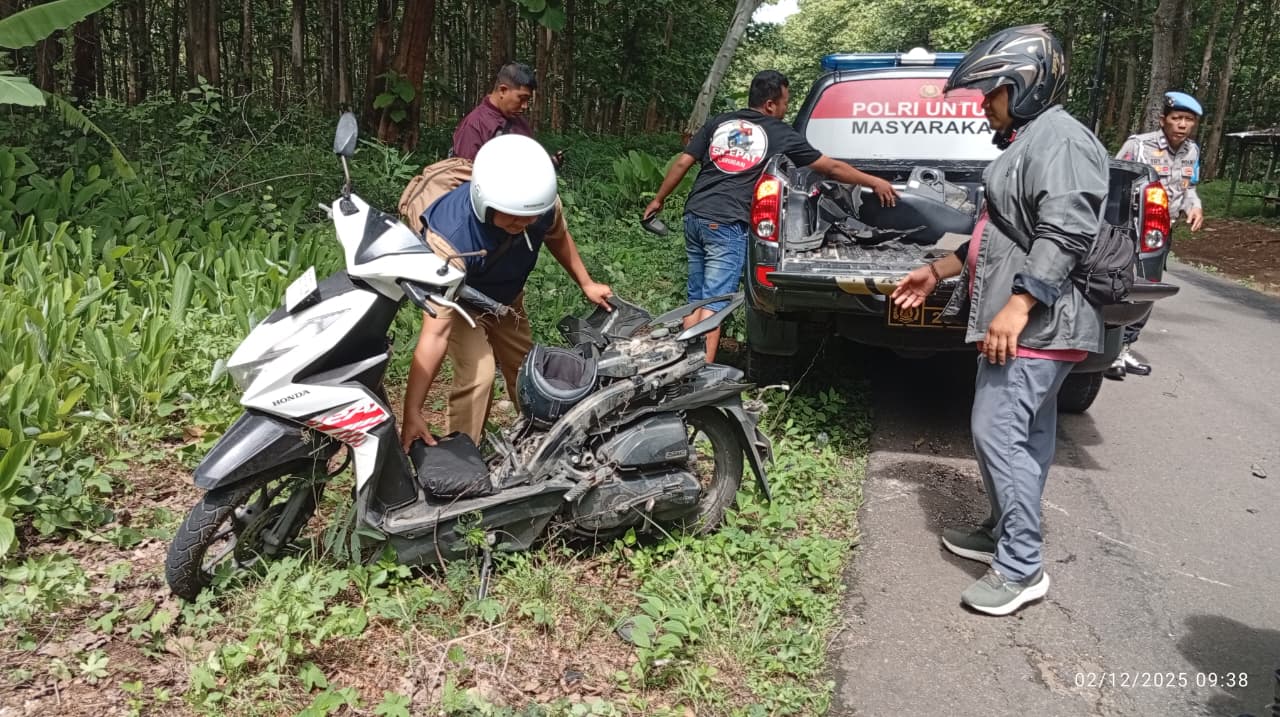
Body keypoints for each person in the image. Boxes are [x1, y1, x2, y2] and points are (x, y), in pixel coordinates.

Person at [891, 25, 1108, 616]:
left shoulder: (1060, 140)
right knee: (1027, 437)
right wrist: (937, 270)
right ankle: (1001, 531)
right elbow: (998, 233)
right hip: (1034, 320)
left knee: (996, 431)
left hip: (1041, 322)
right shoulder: (1031, 139)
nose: (983, 105)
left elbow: (1066, 231)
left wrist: (1018, 305)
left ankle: (1021, 566)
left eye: (992, 93)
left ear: (1026, 85)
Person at [643, 69, 899, 362]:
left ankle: (681, 368)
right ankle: (698, 380)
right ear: (769, 104)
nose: (786, 108)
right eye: (785, 102)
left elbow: (682, 163)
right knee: (716, 304)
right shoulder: (779, 133)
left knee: (697, 300)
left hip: (695, 216)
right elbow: (831, 168)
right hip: (727, 222)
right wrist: (875, 181)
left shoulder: (720, 122)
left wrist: (659, 199)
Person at [400, 135, 612, 450]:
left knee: (528, 369)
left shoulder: (540, 206)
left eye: (529, 216)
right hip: (461, 305)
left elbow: (558, 236)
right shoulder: (451, 239)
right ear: (485, 201)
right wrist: (412, 410)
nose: (522, 223)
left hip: (507, 301)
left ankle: (542, 443)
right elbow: (434, 335)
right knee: (479, 375)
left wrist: (586, 282)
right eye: (511, 215)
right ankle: (463, 458)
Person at [1107, 91, 1205, 379]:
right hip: (1127, 230)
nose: (1182, 125)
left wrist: (1195, 208)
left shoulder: (1193, 151)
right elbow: (1112, 181)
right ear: (1164, 120)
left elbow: (1189, 189)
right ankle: (1107, 351)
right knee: (1116, 286)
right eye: (1177, 118)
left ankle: (1124, 348)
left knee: (1147, 289)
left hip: (1158, 233)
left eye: (1189, 120)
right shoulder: (1138, 146)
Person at [451, 62, 563, 168]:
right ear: (503, 90)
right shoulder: (474, 125)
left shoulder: (519, 121)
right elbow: (464, 176)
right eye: (522, 98)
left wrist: (548, 164)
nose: (525, 106)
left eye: (528, 100)